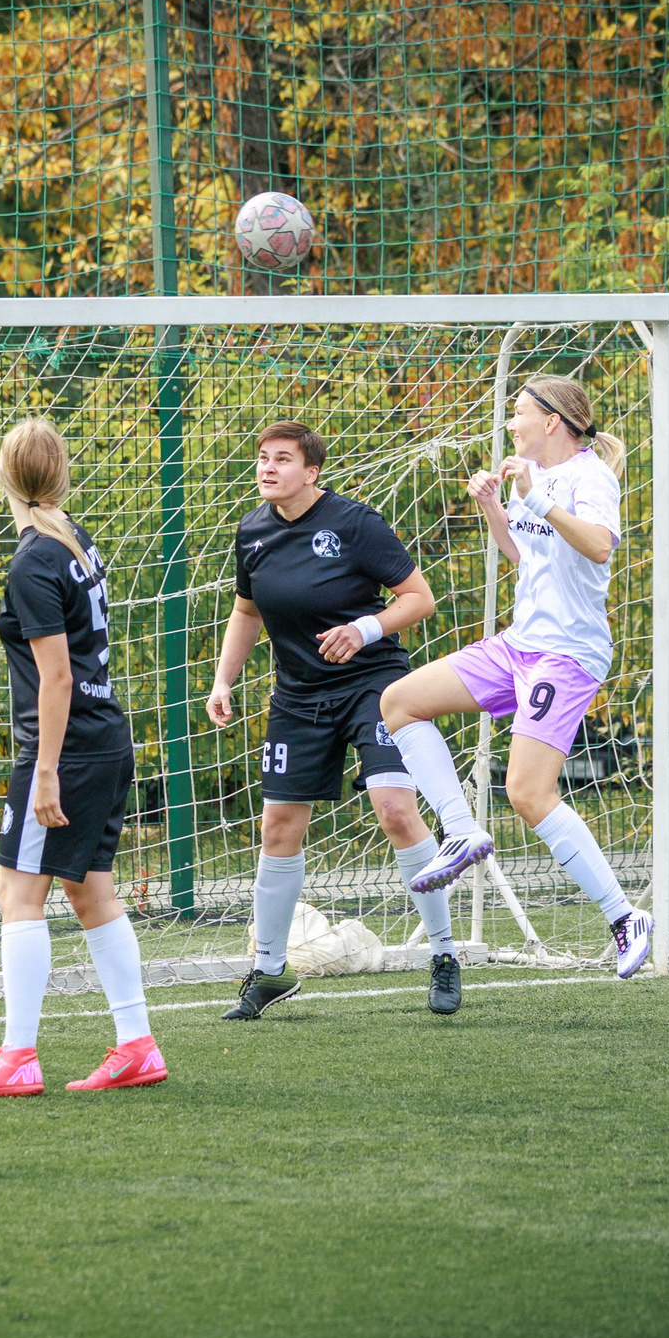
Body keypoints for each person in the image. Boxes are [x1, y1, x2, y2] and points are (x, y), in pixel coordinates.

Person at [379, 375, 655, 979]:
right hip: (518, 645)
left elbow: (600, 547)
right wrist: (495, 510)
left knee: (528, 793)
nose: (510, 424)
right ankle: (459, 830)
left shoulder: (589, 477)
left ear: (552, 420)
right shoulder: (535, 478)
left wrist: (536, 500)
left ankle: (622, 916)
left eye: (519, 414)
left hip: (566, 655)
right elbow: (528, 557)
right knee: (399, 702)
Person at [205, 421, 453, 1020]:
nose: (267, 468)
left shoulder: (355, 524)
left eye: (282, 459)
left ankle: (444, 956)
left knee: (395, 810)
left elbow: (419, 599)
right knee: (278, 830)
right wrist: (223, 679)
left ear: (311, 472)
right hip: (297, 697)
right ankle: (268, 971)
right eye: (262, 458)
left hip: (375, 686)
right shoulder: (253, 532)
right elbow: (246, 612)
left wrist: (362, 629)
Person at [0, 419, 164, 1096]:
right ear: (60, 473)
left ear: (4, 476)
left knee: (19, 893)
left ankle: (18, 1056)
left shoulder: (34, 559)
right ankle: (137, 1045)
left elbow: (58, 677)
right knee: (90, 891)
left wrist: (43, 769)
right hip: (104, 741)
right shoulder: (73, 537)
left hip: (67, 751)